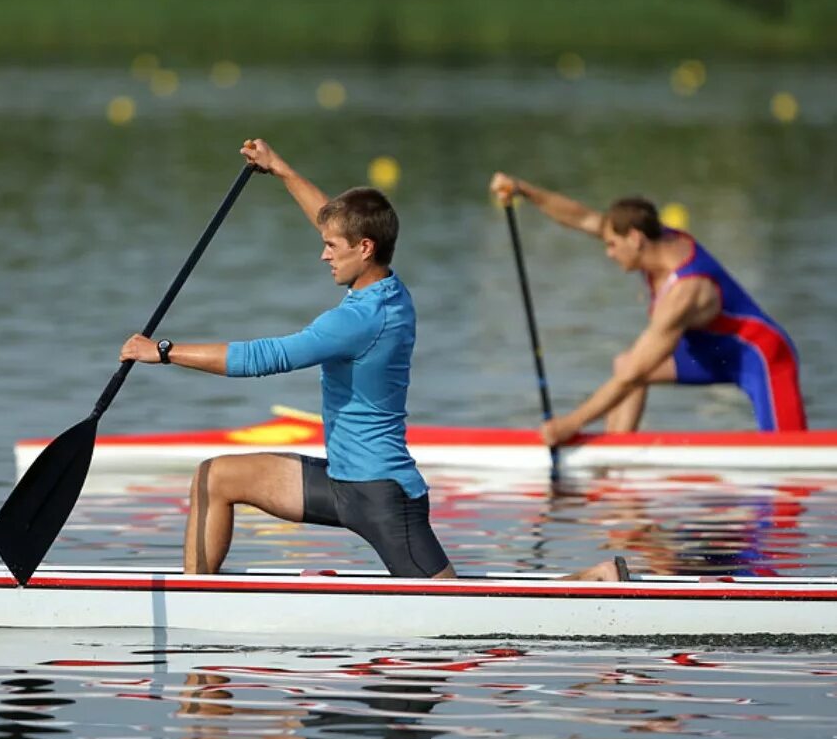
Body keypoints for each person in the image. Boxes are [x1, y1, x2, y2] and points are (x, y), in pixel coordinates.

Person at [121, 138, 456, 579]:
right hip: (343, 482)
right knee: (215, 477)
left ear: (365, 248)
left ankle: (579, 588)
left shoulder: (359, 320)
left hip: (380, 496)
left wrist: (164, 352)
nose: (323, 254)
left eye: (333, 247)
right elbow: (331, 219)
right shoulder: (391, 288)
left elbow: (267, 356)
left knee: (459, 608)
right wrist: (280, 168)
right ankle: (195, 596)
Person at [489, 173, 807, 445]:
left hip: (762, 358)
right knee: (625, 362)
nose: (608, 253)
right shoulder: (652, 241)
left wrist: (568, 425)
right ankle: (615, 459)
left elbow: (634, 374)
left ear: (636, 239)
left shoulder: (685, 293)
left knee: (792, 459)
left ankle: (608, 452)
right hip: (710, 352)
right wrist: (523, 189)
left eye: (612, 245)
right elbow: (582, 217)